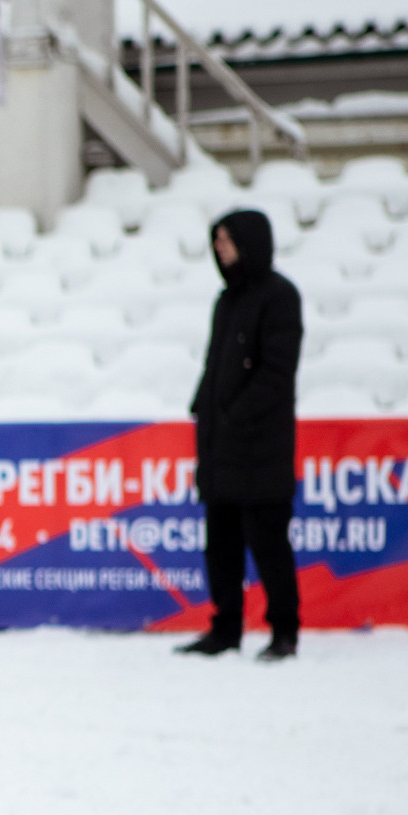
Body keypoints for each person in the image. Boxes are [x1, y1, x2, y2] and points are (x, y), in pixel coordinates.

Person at [179, 209, 302, 662]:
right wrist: (205, 407)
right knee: (222, 547)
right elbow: (215, 368)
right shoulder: (225, 300)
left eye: (227, 240)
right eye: (217, 241)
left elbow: (277, 373)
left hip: (260, 450)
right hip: (221, 450)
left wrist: (234, 413)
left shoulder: (280, 297)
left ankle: (284, 632)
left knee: (269, 546)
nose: (219, 248)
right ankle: (225, 628)